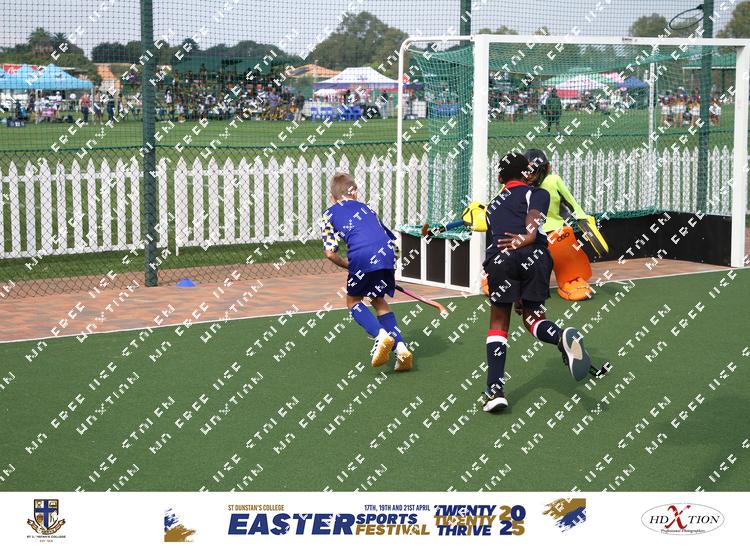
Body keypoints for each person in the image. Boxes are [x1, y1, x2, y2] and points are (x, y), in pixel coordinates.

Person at [479, 152, 600, 412]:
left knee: (499, 323)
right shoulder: (538, 193)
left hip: (502, 259)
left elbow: (499, 237)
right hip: (536, 258)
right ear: (526, 174)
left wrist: (525, 237)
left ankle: (495, 390)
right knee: (533, 318)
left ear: (499, 178)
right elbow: (534, 215)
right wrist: (530, 235)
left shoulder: (492, 205)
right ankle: (560, 337)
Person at [321, 172, 413, 371]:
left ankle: (381, 336)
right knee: (378, 299)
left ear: (332, 198)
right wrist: (388, 264)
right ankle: (402, 349)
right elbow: (391, 241)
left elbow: (329, 253)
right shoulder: (367, 208)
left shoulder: (329, 214)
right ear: (355, 193)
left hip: (362, 257)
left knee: (353, 301)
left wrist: (349, 266)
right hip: (387, 254)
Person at [524, 149, 606, 301]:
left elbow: (571, 202)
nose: (530, 175)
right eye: (527, 171)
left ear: (547, 168)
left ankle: (571, 279)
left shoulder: (552, 181)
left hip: (554, 232)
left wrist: (583, 219)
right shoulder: (517, 185)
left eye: (534, 171)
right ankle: (501, 278)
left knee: (563, 246)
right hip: (527, 235)